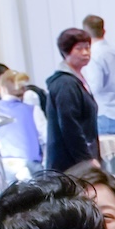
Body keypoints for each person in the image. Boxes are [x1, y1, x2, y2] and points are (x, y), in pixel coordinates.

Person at [45, 27, 101, 172]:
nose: (85, 53)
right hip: (70, 164)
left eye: (87, 48)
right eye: (79, 49)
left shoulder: (76, 79)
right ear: (66, 52)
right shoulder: (65, 83)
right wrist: (86, 159)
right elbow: (70, 125)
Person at [0, 66, 44, 179]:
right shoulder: (32, 110)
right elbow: (45, 136)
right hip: (31, 163)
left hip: (6, 163)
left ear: (2, 88)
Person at [81, 13, 115, 140]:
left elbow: (95, 87)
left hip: (105, 113)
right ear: (104, 31)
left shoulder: (94, 56)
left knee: (108, 152)